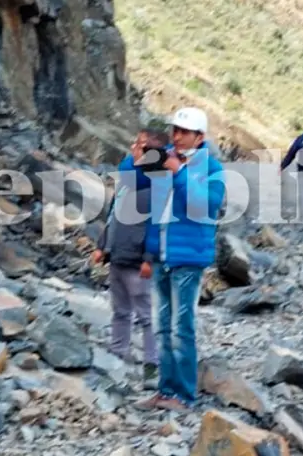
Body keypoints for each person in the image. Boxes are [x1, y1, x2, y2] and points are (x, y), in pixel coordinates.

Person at [124, 107, 226, 412]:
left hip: (189, 256)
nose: (177, 137)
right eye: (175, 131)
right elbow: (132, 186)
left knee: (182, 326)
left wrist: (179, 173)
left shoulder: (212, 168)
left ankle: (183, 395)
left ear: (200, 137)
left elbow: (204, 205)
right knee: (162, 327)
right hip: (162, 254)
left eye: (184, 132)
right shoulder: (162, 156)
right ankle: (165, 390)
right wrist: (134, 159)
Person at [92, 129, 170, 389]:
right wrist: (102, 246)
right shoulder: (127, 182)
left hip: (138, 261)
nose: (132, 146)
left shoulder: (155, 187)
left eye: (139, 144)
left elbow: (156, 227)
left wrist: (149, 258)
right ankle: (117, 354)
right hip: (117, 255)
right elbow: (113, 216)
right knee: (120, 310)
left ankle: (151, 365)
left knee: (145, 316)